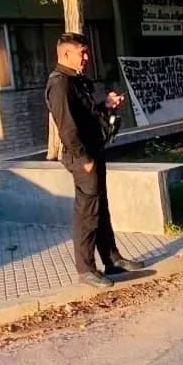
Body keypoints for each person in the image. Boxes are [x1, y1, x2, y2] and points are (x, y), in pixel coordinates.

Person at [45, 32, 144, 288]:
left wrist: (107, 105)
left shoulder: (74, 80)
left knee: (101, 207)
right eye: (82, 53)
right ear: (66, 54)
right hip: (82, 157)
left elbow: (87, 115)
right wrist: (83, 157)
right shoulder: (60, 84)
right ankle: (86, 269)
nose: (87, 58)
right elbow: (66, 126)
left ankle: (112, 259)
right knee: (87, 212)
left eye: (87, 52)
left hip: (93, 150)